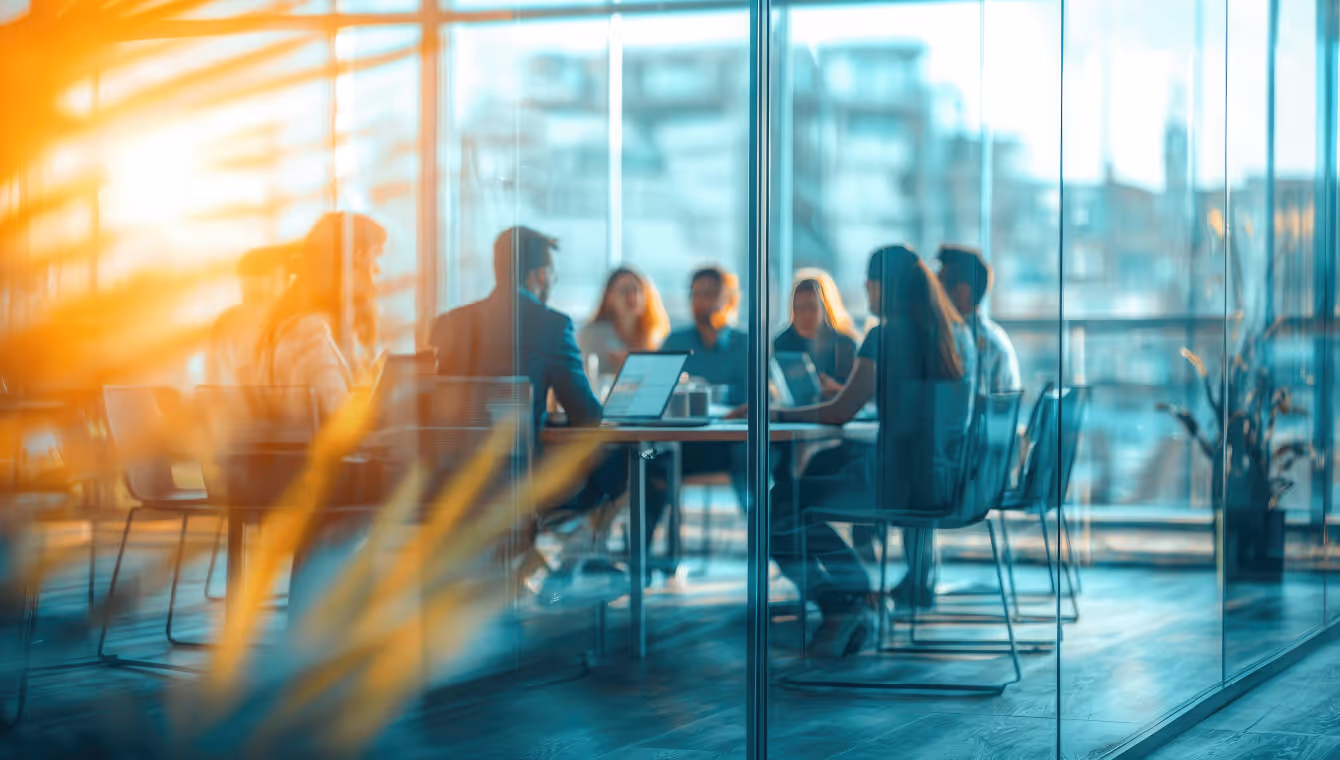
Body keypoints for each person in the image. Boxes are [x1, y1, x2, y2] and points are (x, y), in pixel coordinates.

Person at [430, 227, 670, 596]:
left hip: (452, 476)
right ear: (540, 276)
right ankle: (578, 556)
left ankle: (544, 558)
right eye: (552, 276)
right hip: (524, 482)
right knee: (642, 455)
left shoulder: (449, 322)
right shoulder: (551, 325)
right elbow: (587, 417)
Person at [766, 244, 977, 657]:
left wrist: (773, 413)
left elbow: (838, 412)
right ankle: (855, 596)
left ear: (887, 287)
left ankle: (842, 602)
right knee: (813, 477)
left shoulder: (883, 336)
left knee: (775, 505)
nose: (866, 290)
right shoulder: (959, 336)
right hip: (948, 480)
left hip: (896, 486)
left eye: (870, 282)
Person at [241, 211, 387, 626]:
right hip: (303, 482)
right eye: (375, 259)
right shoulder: (312, 333)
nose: (378, 272)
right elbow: (342, 420)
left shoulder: (281, 325)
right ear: (355, 259)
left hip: (275, 473)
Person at [936, 245, 1021, 393]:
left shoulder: (960, 342)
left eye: (939, 285)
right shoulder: (996, 336)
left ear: (963, 292)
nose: (934, 294)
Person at [206, 243, 293, 386]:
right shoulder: (229, 326)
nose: (259, 306)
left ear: (286, 282)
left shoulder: (305, 327)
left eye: (271, 279)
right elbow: (217, 389)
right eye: (253, 296)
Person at [661, 266, 748, 405]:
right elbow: (659, 393)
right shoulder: (675, 343)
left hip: (736, 424)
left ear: (728, 299)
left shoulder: (747, 344)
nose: (701, 301)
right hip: (685, 423)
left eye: (709, 294)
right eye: (695, 294)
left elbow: (767, 397)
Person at [773, 269, 859, 397]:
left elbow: (859, 395)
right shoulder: (781, 343)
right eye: (799, 308)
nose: (805, 314)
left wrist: (835, 388)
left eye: (811, 307)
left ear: (825, 308)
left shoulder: (845, 345)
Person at [578, 267, 671, 378]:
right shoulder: (590, 335)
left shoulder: (654, 336)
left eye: (638, 290)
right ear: (609, 297)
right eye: (624, 291)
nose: (632, 297)